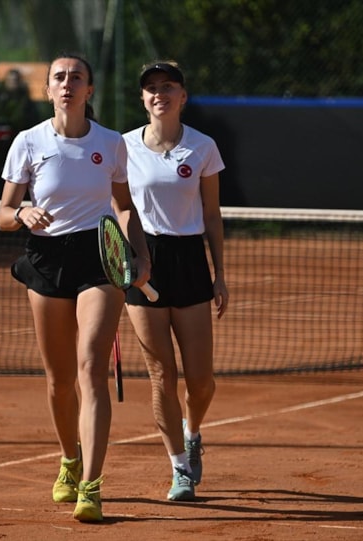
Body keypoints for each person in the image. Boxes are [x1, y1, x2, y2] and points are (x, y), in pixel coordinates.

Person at [0, 53, 151, 522]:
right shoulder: (28, 142)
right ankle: (69, 459)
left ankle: (92, 486)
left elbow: (124, 207)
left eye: (76, 77)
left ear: (89, 90)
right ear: (48, 90)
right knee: (59, 380)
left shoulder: (111, 143)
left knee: (91, 369)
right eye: (59, 78)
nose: (67, 84)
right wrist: (21, 212)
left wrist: (140, 256)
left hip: (98, 257)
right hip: (45, 259)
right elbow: (3, 215)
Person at [122, 61, 228, 501]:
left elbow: (211, 214)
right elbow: (120, 207)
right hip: (143, 259)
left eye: (167, 86)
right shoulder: (123, 147)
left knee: (201, 381)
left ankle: (193, 431)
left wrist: (220, 275)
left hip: (189, 261)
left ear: (182, 96)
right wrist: (133, 258)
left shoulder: (203, 147)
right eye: (150, 88)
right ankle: (180, 468)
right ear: (143, 98)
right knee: (161, 374)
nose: (158, 93)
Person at [0, 68, 40, 133]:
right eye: (9, 80)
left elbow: (32, 119)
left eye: (15, 80)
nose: (12, 83)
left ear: (19, 82)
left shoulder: (25, 100)